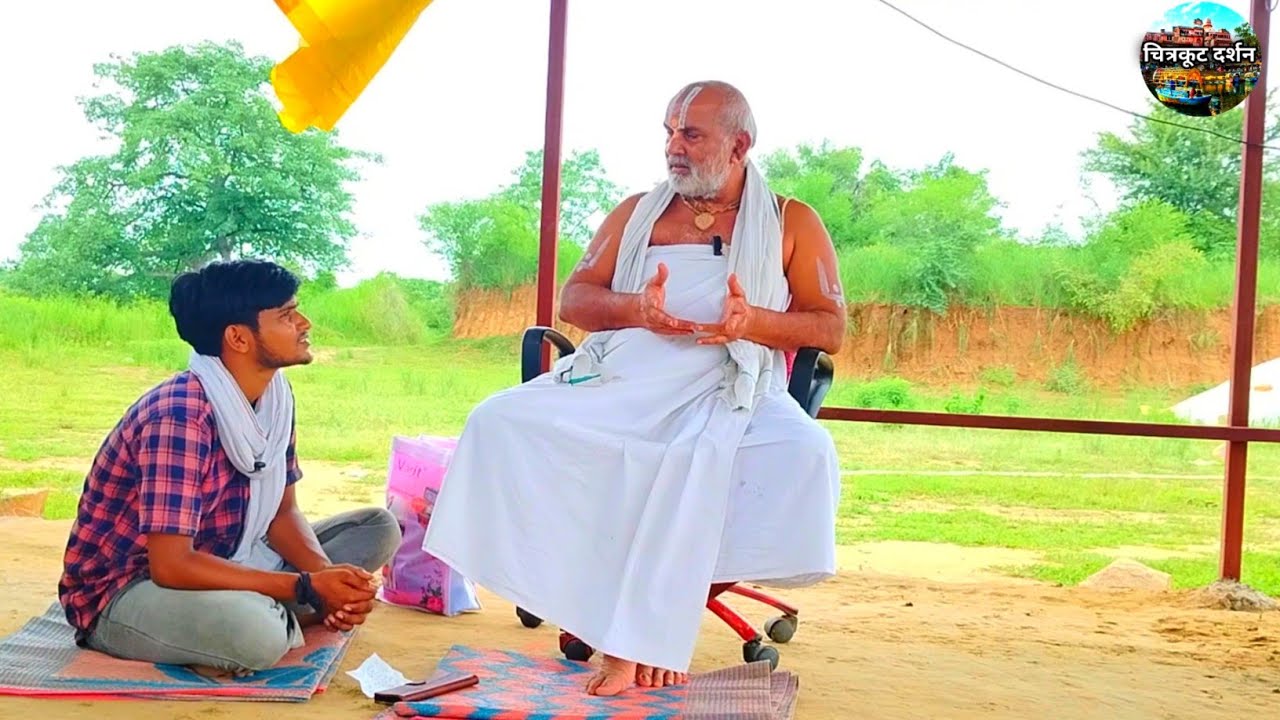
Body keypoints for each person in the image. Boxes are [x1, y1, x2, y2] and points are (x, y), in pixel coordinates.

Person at [423, 80, 845, 696]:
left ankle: (644, 626)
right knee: (498, 421)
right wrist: (635, 309)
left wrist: (752, 321)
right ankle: (617, 620)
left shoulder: (789, 220)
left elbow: (828, 325)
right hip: (625, 372)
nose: (674, 146)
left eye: (691, 134)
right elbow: (577, 299)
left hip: (728, 380)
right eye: (669, 132)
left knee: (804, 454)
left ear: (740, 145)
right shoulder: (636, 212)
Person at [57, 259, 402, 676]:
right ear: (238, 337)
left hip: (231, 559)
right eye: (287, 315)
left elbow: (282, 512)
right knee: (257, 635)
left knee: (378, 527)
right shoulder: (180, 416)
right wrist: (307, 587)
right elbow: (171, 565)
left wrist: (326, 578)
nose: (305, 323)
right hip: (131, 588)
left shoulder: (274, 398)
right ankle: (279, 614)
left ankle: (285, 608)